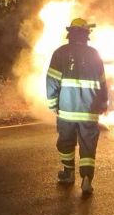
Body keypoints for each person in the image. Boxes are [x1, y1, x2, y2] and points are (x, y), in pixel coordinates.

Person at [46, 18, 108, 196]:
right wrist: (103, 103)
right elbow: (103, 83)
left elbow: (52, 81)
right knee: (88, 145)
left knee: (66, 141)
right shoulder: (95, 54)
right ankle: (87, 179)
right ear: (86, 35)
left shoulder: (60, 53)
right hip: (89, 110)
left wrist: (52, 103)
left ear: (70, 34)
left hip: (67, 109)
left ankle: (68, 173)